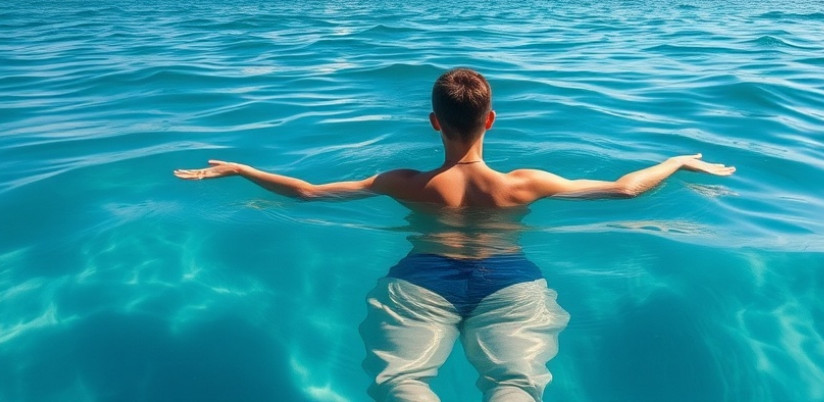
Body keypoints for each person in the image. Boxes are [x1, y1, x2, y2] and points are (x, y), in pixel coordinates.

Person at [175, 68, 735, 401]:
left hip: (421, 283)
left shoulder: (403, 183)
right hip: (512, 283)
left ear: (434, 121)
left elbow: (305, 193)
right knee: (515, 386)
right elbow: (625, 190)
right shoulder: (525, 185)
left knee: (402, 384)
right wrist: (676, 161)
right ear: (491, 119)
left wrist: (243, 169)